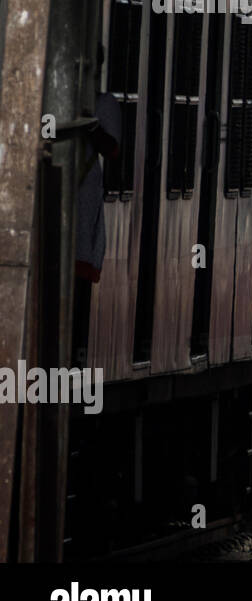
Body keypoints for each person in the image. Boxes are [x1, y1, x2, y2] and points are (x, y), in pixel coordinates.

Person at [73, 46, 122, 366]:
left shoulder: (105, 104)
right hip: (69, 196)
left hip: (85, 198)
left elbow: (113, 148)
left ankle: (78, 349)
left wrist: (90, 125)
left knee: (81, 273)